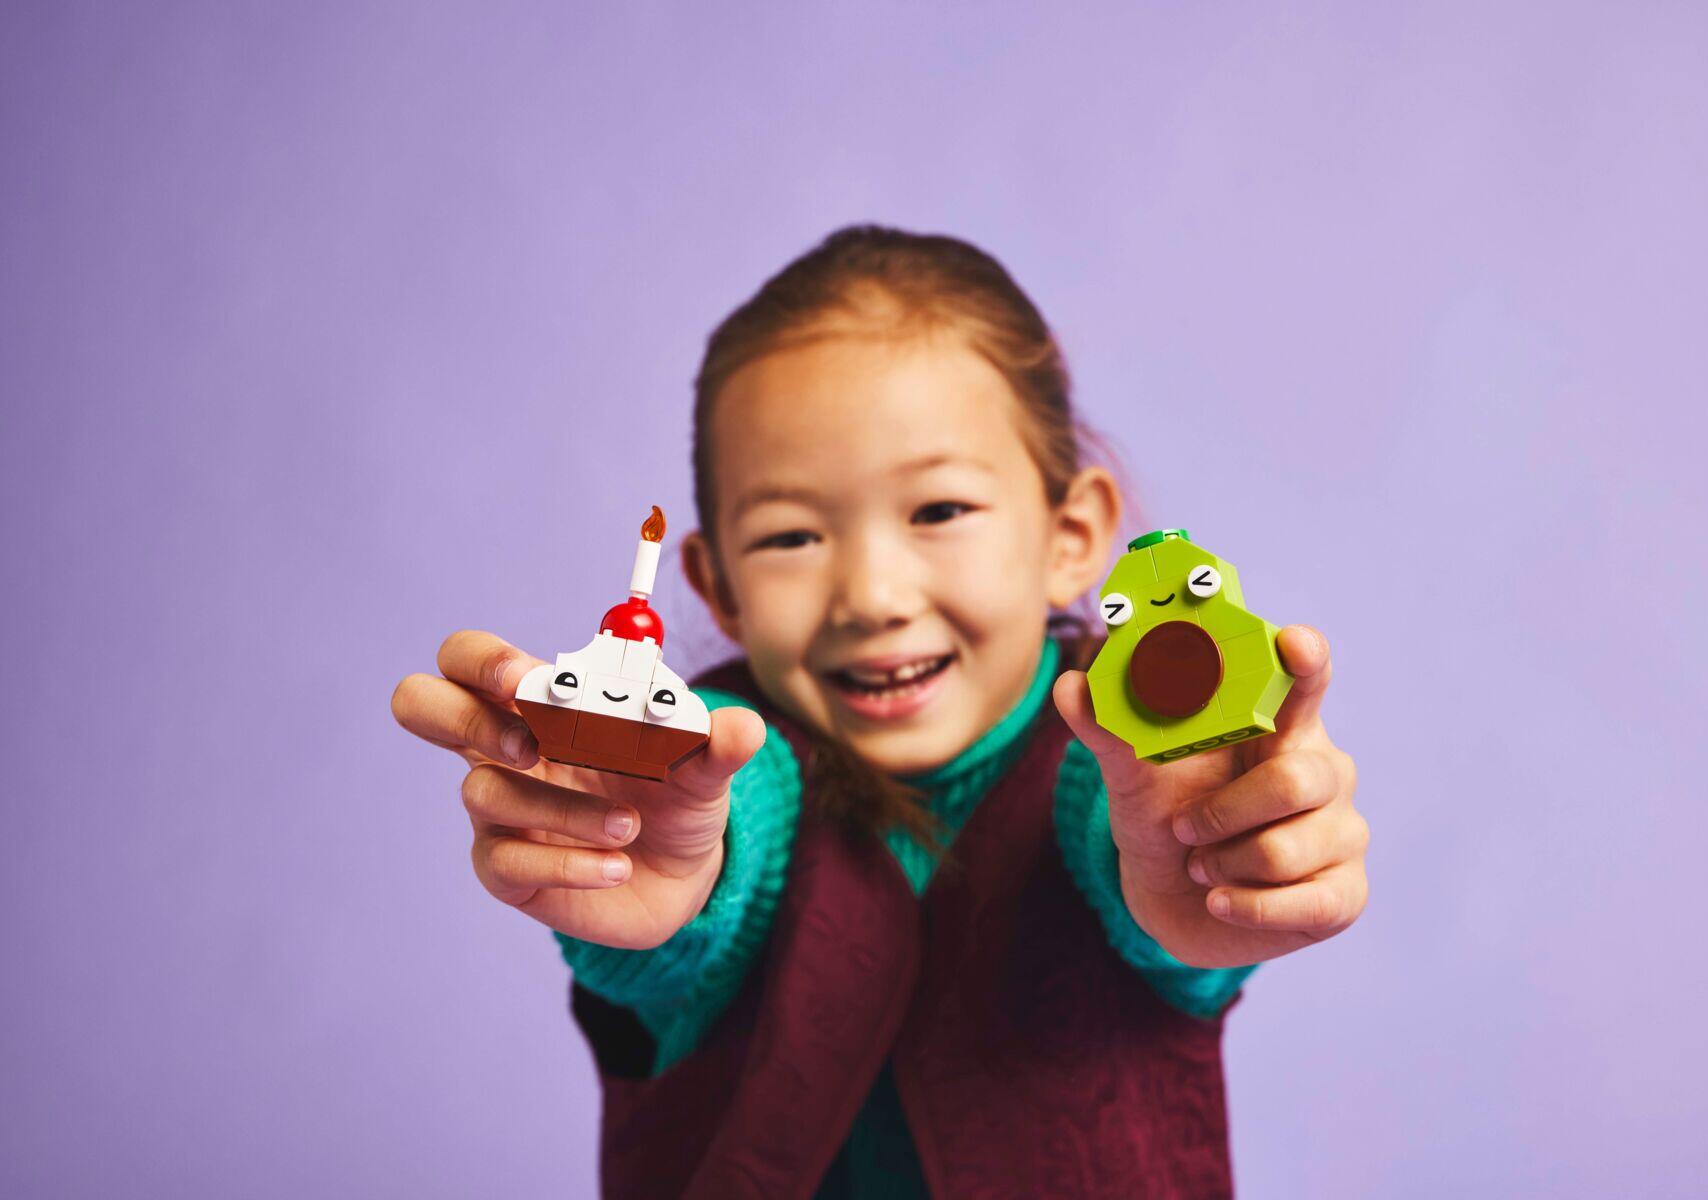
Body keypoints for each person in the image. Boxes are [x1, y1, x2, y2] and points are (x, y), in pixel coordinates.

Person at [391, 225, 1369, 1198]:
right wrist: (644, 849)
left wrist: (1199, 857)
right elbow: (728, 803)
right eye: (790, 536)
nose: (870, 595)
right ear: (717, 585)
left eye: (938, 511)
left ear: (1069, 538)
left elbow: (1122, 821)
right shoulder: (712, 766)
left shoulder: (1115, 764)